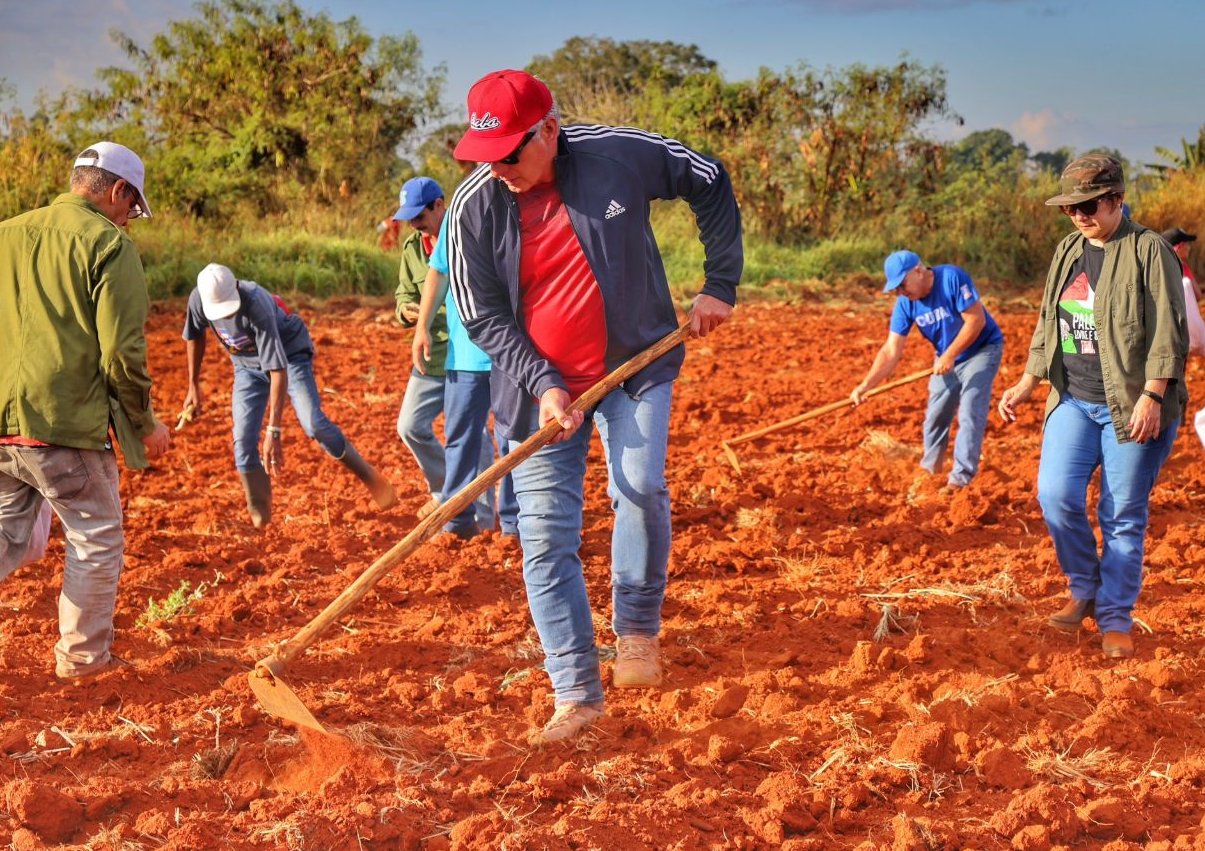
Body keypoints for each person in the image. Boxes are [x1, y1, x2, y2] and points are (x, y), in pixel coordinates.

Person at [445, 69, 742, 744]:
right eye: (483, 157)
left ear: (548, 130)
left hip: (634, 367)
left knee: (637, 487)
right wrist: (542, 382)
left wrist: (719, 282)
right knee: (543, 537)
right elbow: (482, 316)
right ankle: (574, 693)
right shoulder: (473, 207)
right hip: (537, 393)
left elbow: (709, 178)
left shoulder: (616, 154)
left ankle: (636, 629)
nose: (498, 170)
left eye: (511, 154)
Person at [998, 154, 1188, 660]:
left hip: (1131, 403)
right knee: (1055, 495)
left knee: (1122, 513)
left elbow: (1171, 330)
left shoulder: (1149, 251)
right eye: (1071, 208)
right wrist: (1026, 381)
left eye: (1089, 205)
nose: (1080, 215)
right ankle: (1084, 585)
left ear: (1117, 200)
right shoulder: (1068, 251)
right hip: (1074, 397)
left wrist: (1153, 394)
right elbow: (1048, 320)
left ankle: (1115, 616)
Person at [0, 141, 171, 680]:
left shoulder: (7, 233)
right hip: (64, 424)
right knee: (96, 537)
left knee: (5, 533)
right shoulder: (107, 244)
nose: (128, 220)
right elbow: (122, 352)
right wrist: (144, 425)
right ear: (118, 191)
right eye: (131, 208)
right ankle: (82, 662)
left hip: (4, 421)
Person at [181, 263, 396, 527]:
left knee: (313, 423)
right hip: (246, 367)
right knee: (243, 440)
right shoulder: (198, 299)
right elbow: (194, 336)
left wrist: (274, 430)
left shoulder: (255, 303)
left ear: (236, 288)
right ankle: (261, 515)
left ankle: (371, 478)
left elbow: (278, 371)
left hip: (290, 357)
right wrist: (193, 384)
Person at [850, 251, 1004, 489]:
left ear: (919, 271)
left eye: (902, 285)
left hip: (981, 350)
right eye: (896, 289)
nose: (901, 293)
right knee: (936, 416)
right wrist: (865, 386)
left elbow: (976, 320)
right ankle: (930, 473)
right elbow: (891, 350)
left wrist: (950, 355)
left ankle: (960, 480)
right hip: (946, 358)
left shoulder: (952, 278)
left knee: (970, 410)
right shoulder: (905, 304)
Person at [412, 212, 519, 539]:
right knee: (461, 438)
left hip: (513, 351)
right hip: (466, 350)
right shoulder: (461, 212)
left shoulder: (521, 203)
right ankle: (457, 523)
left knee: (512, 439)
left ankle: (515, 525)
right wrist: (422, 326)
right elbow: (439, 269)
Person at [394, 176, 452, 519]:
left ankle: (485, 513)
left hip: (469, 352)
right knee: (410, 426)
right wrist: (406, 311)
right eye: (410, 218)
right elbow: (404, 293)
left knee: (469, 435)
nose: (415, 224)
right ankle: (447, 492)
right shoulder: (413, 249)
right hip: (431, 352)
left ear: (439, 205)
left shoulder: (464, 236)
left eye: (420, 215)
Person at [1162, 227, 1205, 449]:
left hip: (1163, 335)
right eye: (1186, 244)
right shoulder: (1179, 267)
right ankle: (1175, 424)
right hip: (1176, 335)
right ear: (1178, 247)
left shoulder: (1157, 263)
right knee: (1176, 378)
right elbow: (1196, 294)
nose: (1189, 248)